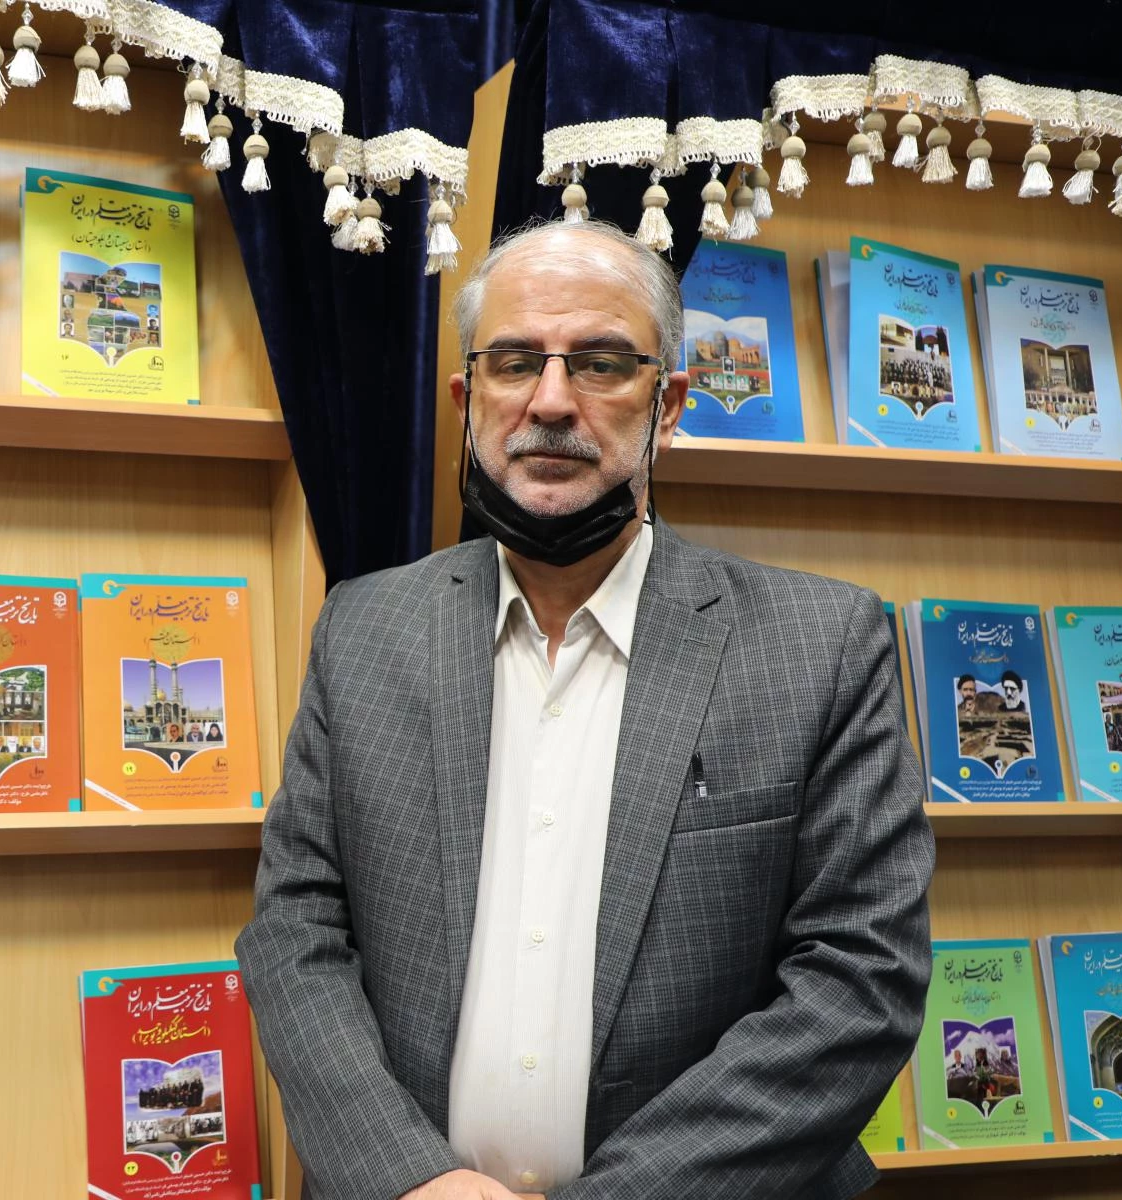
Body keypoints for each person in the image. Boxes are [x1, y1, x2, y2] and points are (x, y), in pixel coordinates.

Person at [236, 219, 933, 1200]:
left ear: (669, 405)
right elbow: (295, 930)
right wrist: (408, 1179)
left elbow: (860, 980)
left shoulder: (823, 645)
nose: (552, 401)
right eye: (515, 362)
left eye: (602, 364)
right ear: (468, 399)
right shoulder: (362, 629)